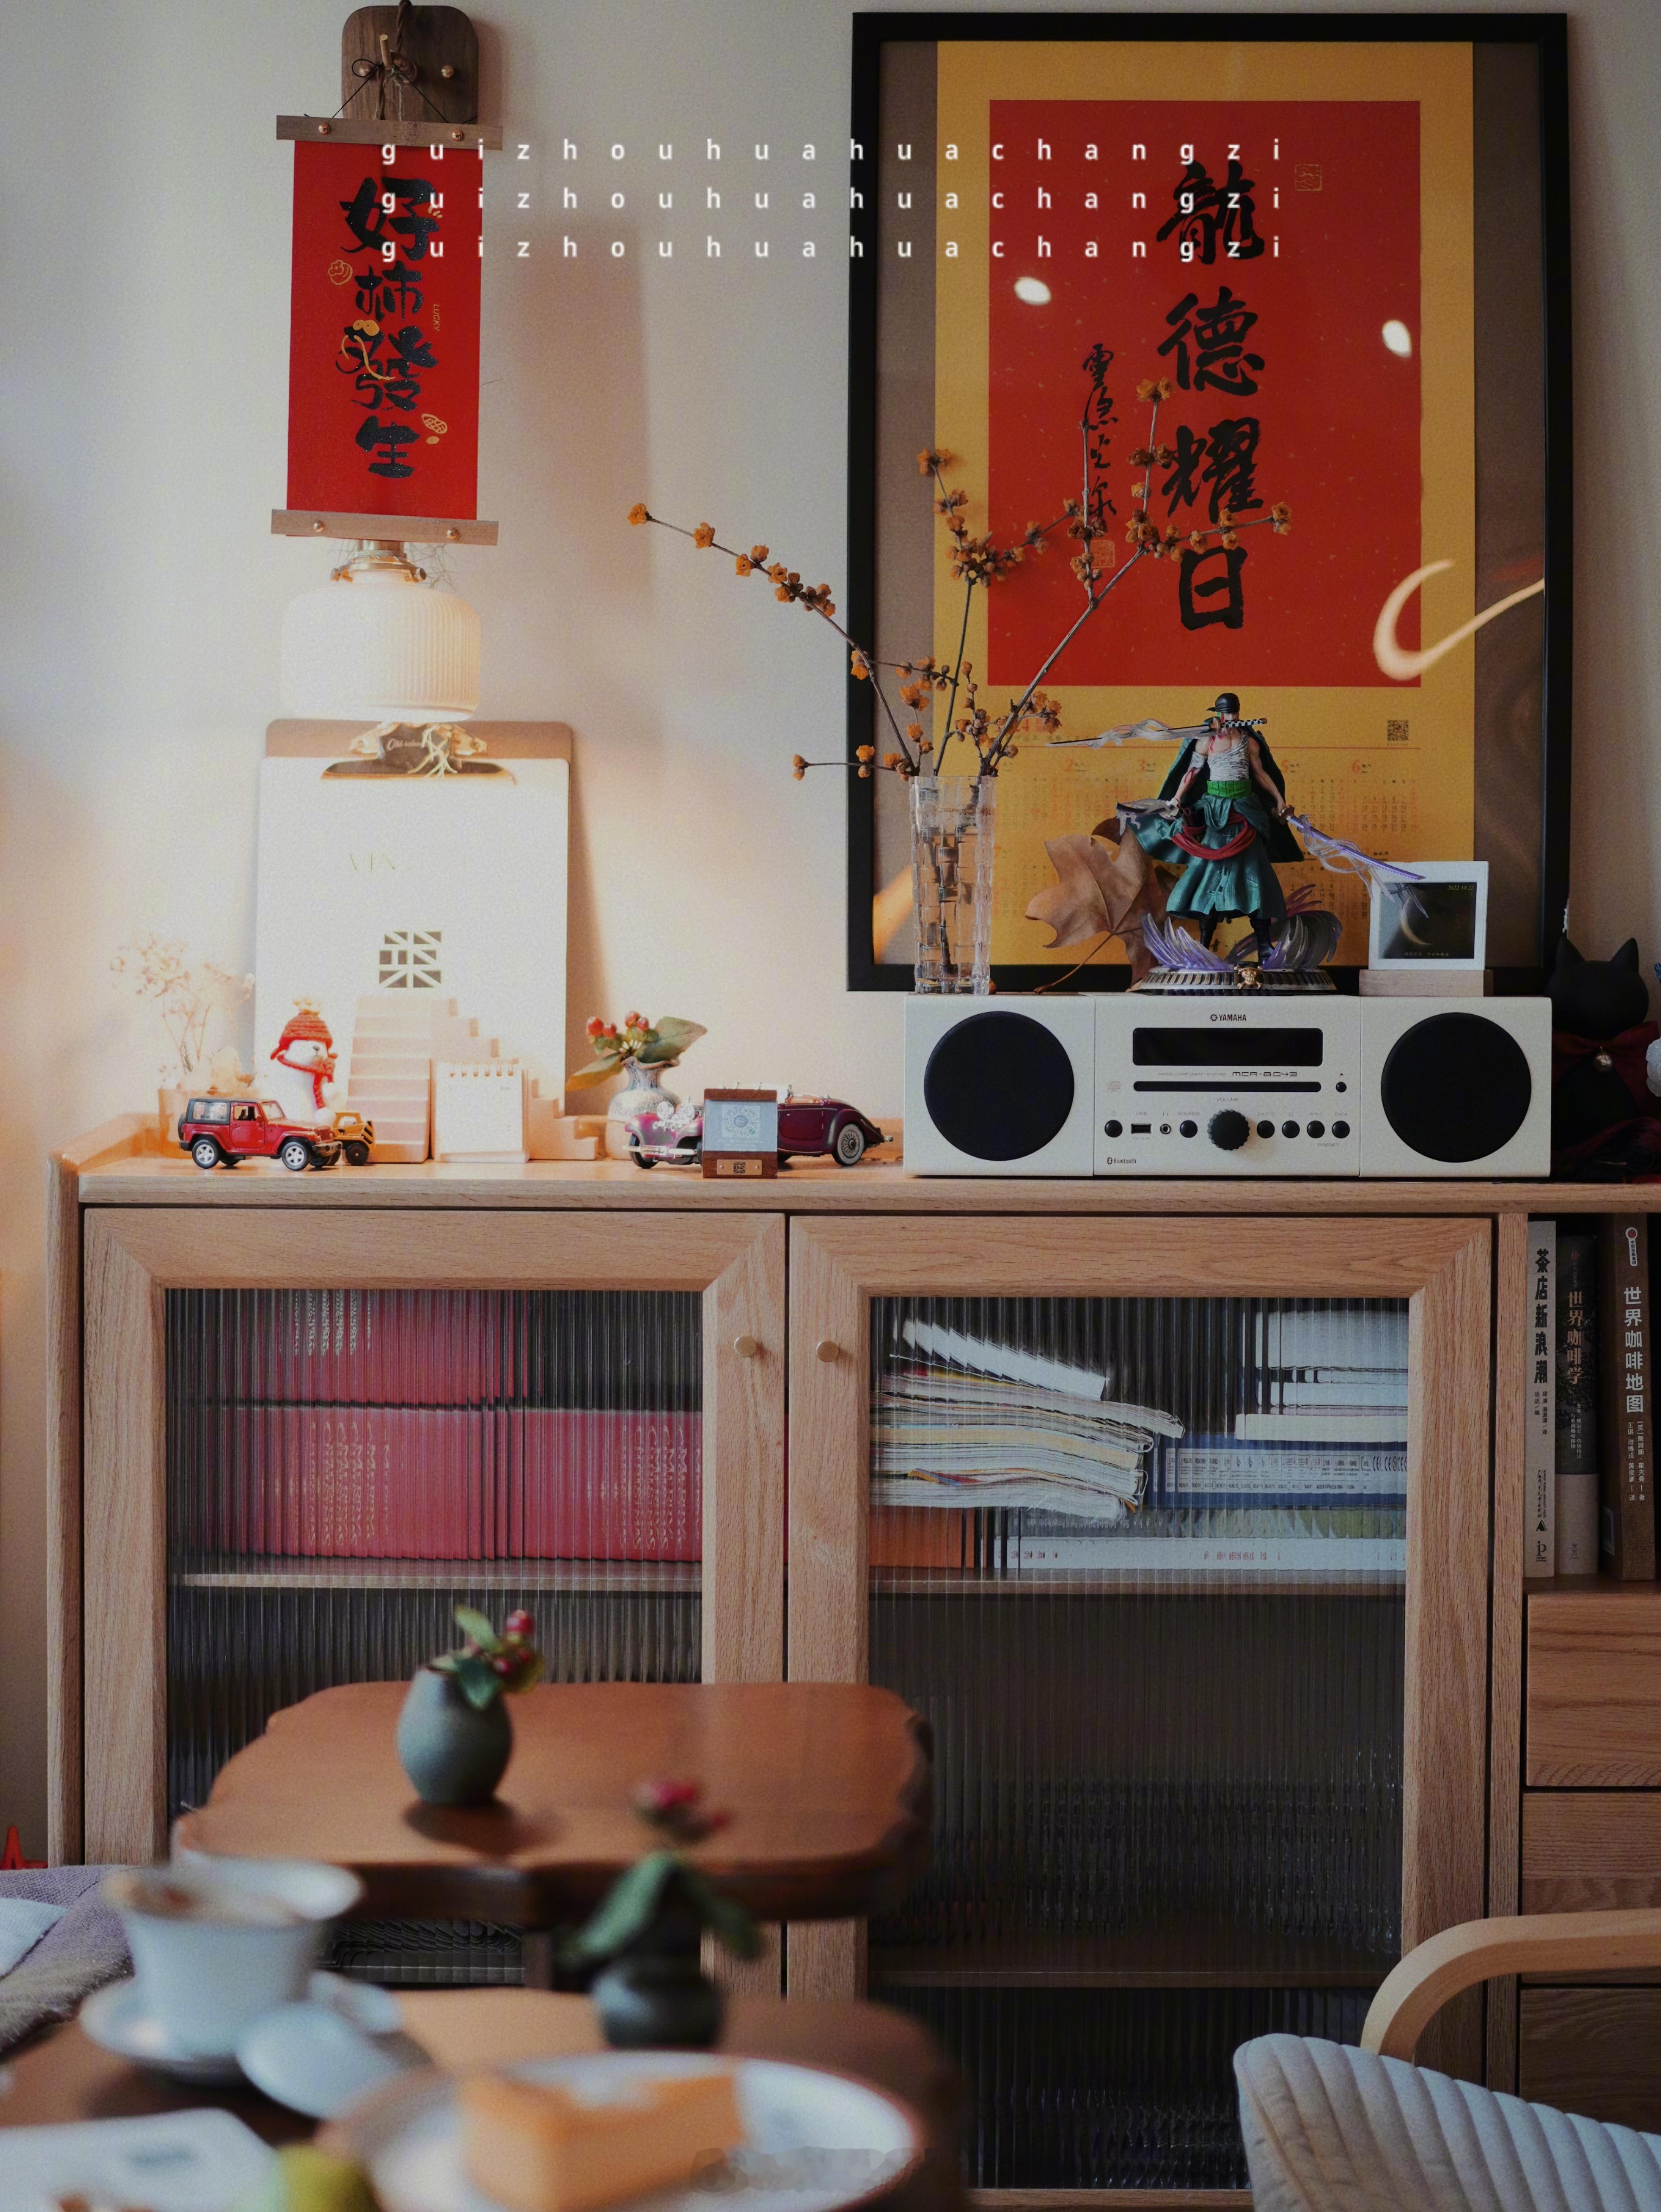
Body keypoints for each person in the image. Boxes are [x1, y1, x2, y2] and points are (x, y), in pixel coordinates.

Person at [1128, 692, 1303, 953]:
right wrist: (1176, 799)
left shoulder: (1247, 740)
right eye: (1227, 713)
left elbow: (1260, 773)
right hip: (1216, 814)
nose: (1231, 717)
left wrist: (1279, 800)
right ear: (1219, 714)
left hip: (1246, 812)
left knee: (1257, 876)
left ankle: (1265, 945)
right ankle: (1204, 946)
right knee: (1209, 877)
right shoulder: (1207, 740)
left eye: (1235, 713)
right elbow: (1192, 772)